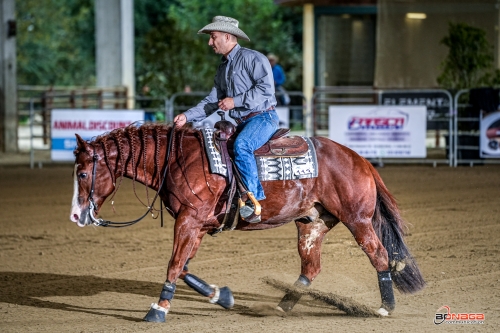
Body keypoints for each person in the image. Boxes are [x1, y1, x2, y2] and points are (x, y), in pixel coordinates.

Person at [173, 16, 279, 223]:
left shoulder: (254, 58)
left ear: (227, 36)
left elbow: (266, 91)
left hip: (263, 117)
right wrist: (187, 116)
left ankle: (253, 201)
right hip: (245, 121)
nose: (210, 42)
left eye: (213, 37)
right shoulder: (223, 67)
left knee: (242, 145)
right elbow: (212, 101)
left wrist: (235, 101)